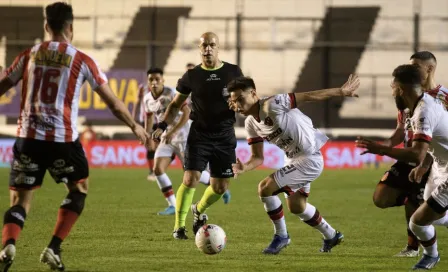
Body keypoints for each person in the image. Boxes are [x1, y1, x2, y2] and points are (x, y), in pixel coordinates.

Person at [0, 2, 148, 271]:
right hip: (62, 140)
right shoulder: (82, 60)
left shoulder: (28, 55)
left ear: (46, 26)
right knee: (78, 189)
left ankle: (9, 244)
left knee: (21, 200)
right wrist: (135, 127)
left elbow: (2, 86)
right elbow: (113, 103)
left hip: (27, 138)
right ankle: (53, 248)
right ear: (70, 27)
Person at [228, 75, 359, 254]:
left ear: (253, 93)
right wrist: (243, 168)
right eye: (234, 102)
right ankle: (331, 235)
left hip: (310, 158)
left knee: (265, 188)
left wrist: (340, 92)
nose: (237, 106)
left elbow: (309, 96)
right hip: (292, 159)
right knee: (297, 206)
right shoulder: (251, 123)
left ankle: (281, 236)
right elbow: (258, 158)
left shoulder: (272, 104)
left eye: (240, 99)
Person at [356, 64, 448, 270]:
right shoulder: (416, 107)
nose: (391, 90)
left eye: (392, 86)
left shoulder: (424, 111)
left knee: (418, 222)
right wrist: (423, 166)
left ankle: (430, 256)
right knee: (438, 217)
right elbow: (435, 144)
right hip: (440, 165)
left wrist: (380, 150)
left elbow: (416, 152)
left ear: (401, 89)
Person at [153, 32, 243, 239]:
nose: (208, 49)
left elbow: (244, 97)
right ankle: (179, 227)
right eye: (204, 45)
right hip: (199, 134)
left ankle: (198, 210)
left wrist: (241, 106)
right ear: (199, 48)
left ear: (218, 47)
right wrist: (163, 124)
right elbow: (176, 104)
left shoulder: (233, 71)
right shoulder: (191, 76)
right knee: (190, 178)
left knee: (219, 187)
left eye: (212, 45)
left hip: (224, 135)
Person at [143, 67, 227, 215]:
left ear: (163, 80)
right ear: (148, 81)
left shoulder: (171, 94)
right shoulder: (147, 98)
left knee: (191, 173)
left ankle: (219, 185)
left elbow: (187, 113)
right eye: (151, 79)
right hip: (165, 136)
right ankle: (172, 205)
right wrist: (148, 135)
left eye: (157, 79)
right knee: (157, 169)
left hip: (183, 135)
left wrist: (173, 131)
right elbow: (149, 117)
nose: (154, 82)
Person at [133, 70, 158, 181]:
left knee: (158, 147)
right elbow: (137, 101)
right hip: (145, 120)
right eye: (150, 78)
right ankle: (152, 171)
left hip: (158, 120)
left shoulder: (161, 88)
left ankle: (158, 170)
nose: (152, 81)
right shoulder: (142, 88)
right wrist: (133, 117)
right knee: (150, 146)